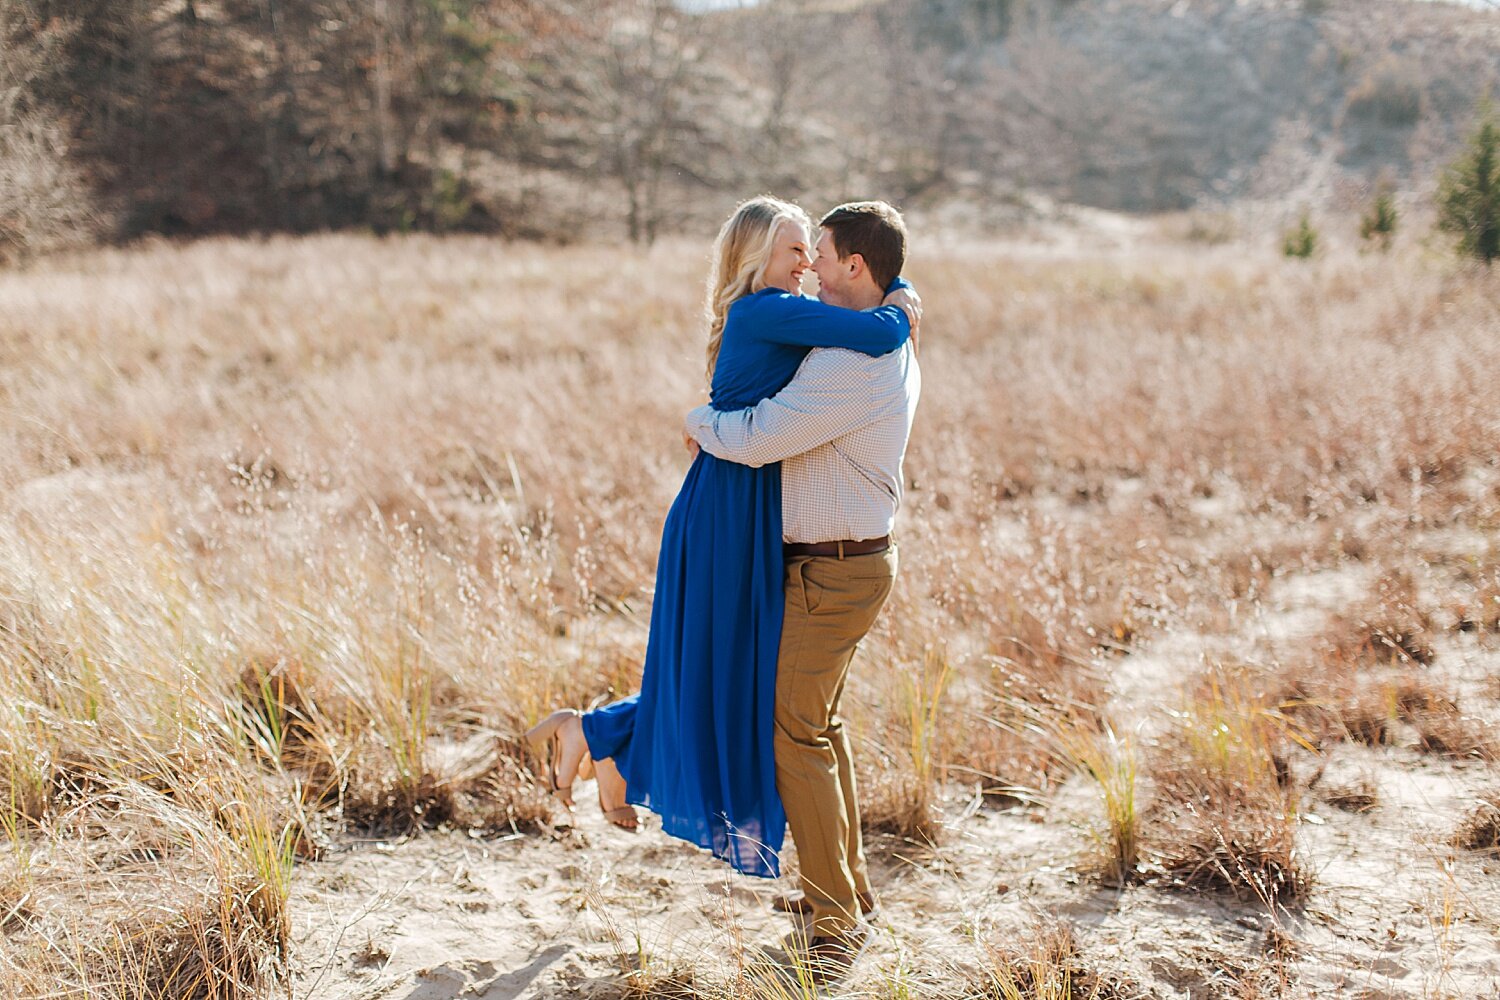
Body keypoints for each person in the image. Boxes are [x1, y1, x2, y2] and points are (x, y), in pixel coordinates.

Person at [526, 196, 919, 880]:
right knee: (720, 672)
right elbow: (881, 330)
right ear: (756, 257)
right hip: (727, 510)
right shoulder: (768, 308)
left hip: (748, 507)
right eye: (795, 250)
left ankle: (601, 738)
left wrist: (902, 289)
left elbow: (859, 334)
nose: (806, 265)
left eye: (813, 252)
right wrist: (906, 300)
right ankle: (603, 739)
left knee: (726, 674)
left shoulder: (788, 313)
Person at [684, 201, 921, 975]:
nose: (810, 267)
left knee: (798, 735)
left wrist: (699, 424)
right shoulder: (868, 337)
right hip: (841, 562)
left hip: (834, 568)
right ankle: (846, 888)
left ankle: (834, 918)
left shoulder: (852, 362)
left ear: (854, 266)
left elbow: (760, 439)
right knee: (822, 726)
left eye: (819, 252)